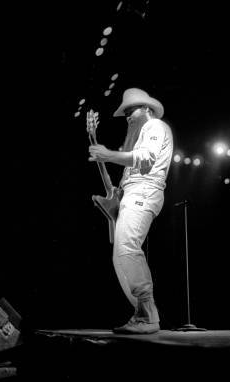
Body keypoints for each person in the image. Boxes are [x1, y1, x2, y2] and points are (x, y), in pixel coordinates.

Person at [88, 88, 173, 334]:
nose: (127, 116)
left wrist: (110, 155)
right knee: (120, 256)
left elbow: (146, 159)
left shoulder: (156, 126)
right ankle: (143, 313)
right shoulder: (138, 137)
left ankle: (148, 316)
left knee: (127, 248)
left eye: (131, 110)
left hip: (145, 192)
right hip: (134, 193)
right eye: (124, 112)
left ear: (147, 109)